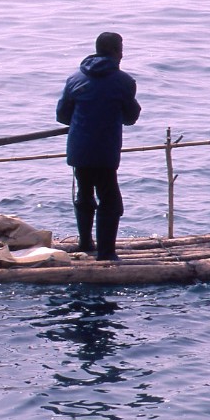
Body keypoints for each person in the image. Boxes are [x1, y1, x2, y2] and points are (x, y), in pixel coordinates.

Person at [56, 32, 141, 261]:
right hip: (104, 149)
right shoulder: (124, 81)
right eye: (120, 49)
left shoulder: (75, 79)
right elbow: (131, 117)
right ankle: (106, 253)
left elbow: (62, 115)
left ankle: (85, 243)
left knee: (85, 192)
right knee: (111, 201)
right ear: (114, 51)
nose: (122, 54)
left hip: (79, 148)